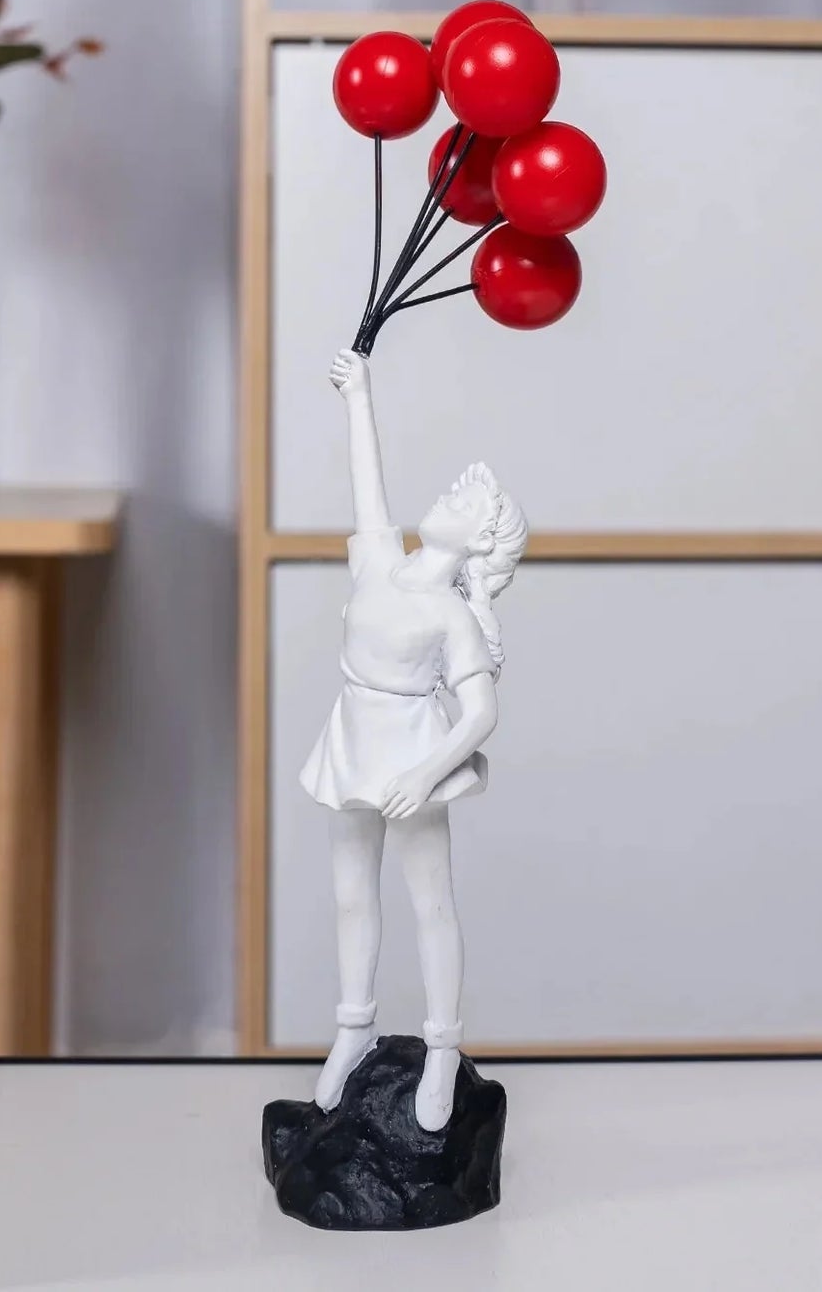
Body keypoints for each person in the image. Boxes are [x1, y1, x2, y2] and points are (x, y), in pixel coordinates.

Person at [301, 349, 528, 1131]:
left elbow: (479, 712)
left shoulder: (450, 615)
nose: (447, 493)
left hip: (411, 749)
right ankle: (352, 1026)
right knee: (349, 889)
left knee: (429, 900)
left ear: (479, 539)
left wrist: (427, 771)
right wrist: (358, 394)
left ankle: (440, 1048)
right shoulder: (380, 563)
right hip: (354, 736)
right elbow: (369, 487)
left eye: (465, 500)